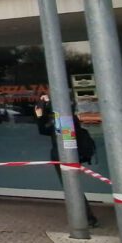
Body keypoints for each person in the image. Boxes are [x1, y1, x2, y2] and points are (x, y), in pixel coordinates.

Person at [34, 94, 98, 227]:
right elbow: (45, 131)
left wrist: (46, 108)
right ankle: (85, 217)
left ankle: (87, 218)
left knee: (72, 187)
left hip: (66, 156)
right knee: (71, 187)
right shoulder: (60, 118)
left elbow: (66, 137)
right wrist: (40, 116)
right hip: (60, 156)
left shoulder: (66, 118)